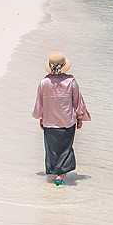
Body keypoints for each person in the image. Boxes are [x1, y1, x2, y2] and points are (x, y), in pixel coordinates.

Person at [32, 52, 91, 185]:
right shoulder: (71, 82)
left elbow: (39, 103)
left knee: (52, 148)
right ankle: (60, 174)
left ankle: (54, 172)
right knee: (66, 147)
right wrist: (80, 117)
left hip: (49, 122)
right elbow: (77, 102)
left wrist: (41, 118)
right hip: (67, 122)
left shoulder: (44, 83)